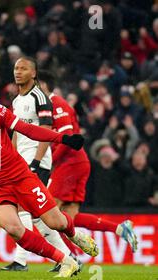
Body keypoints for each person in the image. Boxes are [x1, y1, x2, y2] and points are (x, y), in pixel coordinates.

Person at [0, 72, 99, 278]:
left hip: (19, 175)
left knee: (55, 222)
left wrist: (62, 138)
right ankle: (66, 261)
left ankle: (75, 235)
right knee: (14, 228)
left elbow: (26, 129)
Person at [37, 70, 138, 259]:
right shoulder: (49, 105)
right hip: (76, 162)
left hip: (70, 163)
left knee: (47, 214)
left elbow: (68, 136)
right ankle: (119, 229)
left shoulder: (56, 103)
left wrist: (50, 161)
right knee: (69, 217)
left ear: (43, 85)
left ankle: (70, 258)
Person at [0, 57, 75, 272]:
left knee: (27, 208)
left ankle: (22, 261)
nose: (18, 72)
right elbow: (16, 133)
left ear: (34, 73)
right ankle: (66, 257)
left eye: (23, 68)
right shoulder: (16, 101)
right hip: (20, 162)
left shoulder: (40, 97)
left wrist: (36, 161)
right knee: (35, 214)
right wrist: (11, 159)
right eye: (16, 68)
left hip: (36, 161)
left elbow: (47, 131)